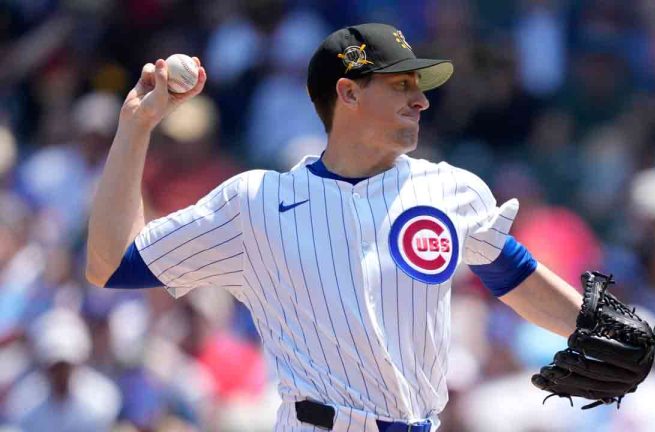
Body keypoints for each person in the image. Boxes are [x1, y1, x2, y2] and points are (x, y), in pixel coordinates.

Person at [86, 23, 583, 431]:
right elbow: (110, 265)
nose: (422, 101)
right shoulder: (256, 202)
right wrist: (136, 126)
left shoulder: (452, 190)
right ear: (347, 91)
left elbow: (513, 276)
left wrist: (602, 331)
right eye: (401, 85)